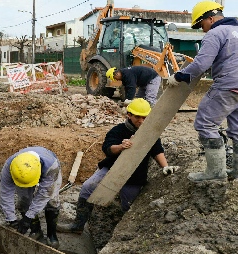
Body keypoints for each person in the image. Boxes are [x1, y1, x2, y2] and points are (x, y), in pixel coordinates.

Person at [167, 0, 238, 182]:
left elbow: (201, 64)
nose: (202, 30)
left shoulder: (216, 33)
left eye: (201, 25)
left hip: (229, 85)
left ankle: (215, 173)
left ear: (210, 18)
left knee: (205, 124)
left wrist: (180, 76)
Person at [57, 98, 179, 234]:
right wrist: (121, 147)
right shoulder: (118, 130)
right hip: (112, 169)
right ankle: (78, 225)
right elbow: (107, 148)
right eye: (138, 117)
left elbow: (157, 151)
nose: (141, 121)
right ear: (129, 115)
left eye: (145, 117)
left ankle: (124, 235)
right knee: (87, 188)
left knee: (128, 206)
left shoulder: (150, 133)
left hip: (135, 175)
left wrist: (165, 166)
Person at [0, 147, 62, 249]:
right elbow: (5, 193)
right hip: (23, 174)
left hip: (48, 171)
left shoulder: (51, 167)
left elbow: (44, 195)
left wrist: (28, 217)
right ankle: (36, 231)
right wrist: (11, 219)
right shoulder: (10, 167)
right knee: (24, 201)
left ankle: (52, 235)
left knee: (52, 201)